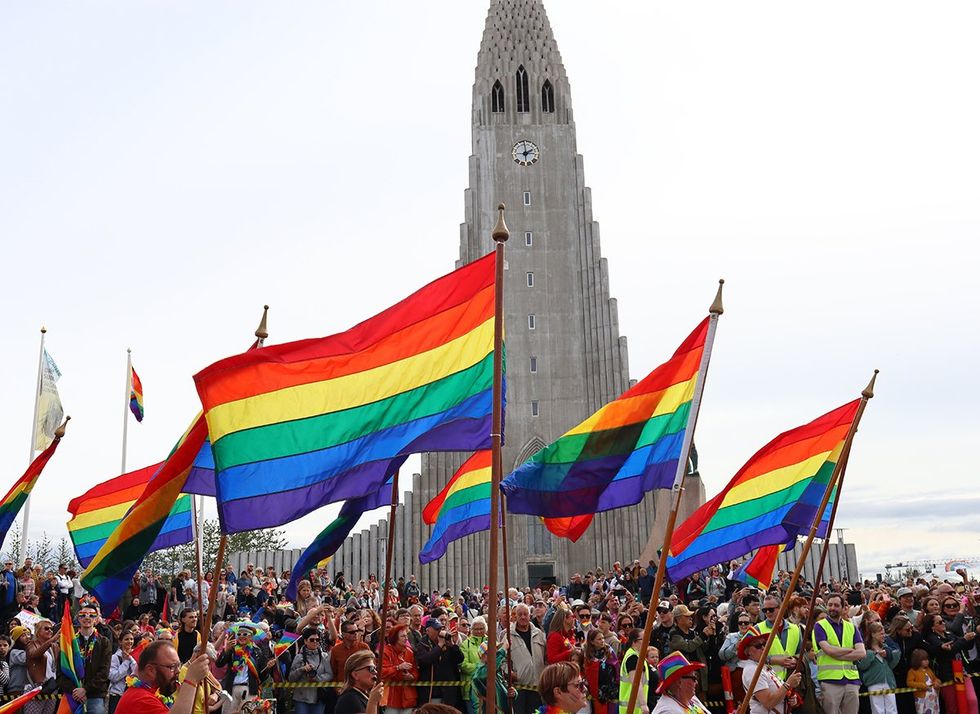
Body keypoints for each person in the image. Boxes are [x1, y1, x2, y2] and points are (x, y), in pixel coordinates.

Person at [114, 641, 209, 714]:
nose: (178, 671)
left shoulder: (154, 693)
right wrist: (191, 680)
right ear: (151, 670)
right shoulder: (140, 699)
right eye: (172, 667)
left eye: (178, 665)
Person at [813, 593, 866, 714]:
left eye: (836, 605)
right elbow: (828, 650)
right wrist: (851, 650)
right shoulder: (819, 626)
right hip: (830, 680)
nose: (832, 608)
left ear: (843, 608)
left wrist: (837, 652)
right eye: (830, 605)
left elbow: (862, 653)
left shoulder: (852, 627)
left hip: (851, 680)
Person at [57, 602, 112, 714]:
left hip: (95, 695)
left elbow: (104, 672)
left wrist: (85, 689)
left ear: (96, 619)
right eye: (83, 615)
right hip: (72, 695)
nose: (87, 618)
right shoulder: (68, 643)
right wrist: (75, 691)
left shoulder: (104, 642)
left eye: (91, 615)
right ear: (78, 618)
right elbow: (60, 671)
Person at [919, 613, 976, 714]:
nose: (944, 623)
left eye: (943, 621)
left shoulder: (949, 634)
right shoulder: (932, 639)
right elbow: (949, 651)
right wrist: (964, 639)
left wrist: (970, 638)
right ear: (932, 627)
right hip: (947, 676)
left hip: (963, 673)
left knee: (972, 701)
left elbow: (965, 646)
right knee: (952, 706)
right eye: (940, 622)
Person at [738, 625, 802, 714]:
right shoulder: (752, 670)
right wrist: (788, 684)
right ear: (748, 651)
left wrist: (792, 699)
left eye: (764, 644)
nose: (763, 648)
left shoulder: (764, 667)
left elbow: (779, 692)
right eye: (758, 646)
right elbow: (768, 702)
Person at [216, 623, 267, 712]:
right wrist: (225, 650)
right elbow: (219, 664)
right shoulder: (232, 650)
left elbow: (262, 676)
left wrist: (268, 667)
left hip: (249, 689)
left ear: (251, 637)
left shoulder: (257, 652)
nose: (241, 636)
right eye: (239, 634)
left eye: (245, 634)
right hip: (231, 689)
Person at [415, 618, 464, 707]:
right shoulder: (422, 644)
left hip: (448, 692)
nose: (439, 632)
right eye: (437, 629)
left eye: (441, 629)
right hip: (432, 692)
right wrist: (440, 646)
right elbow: (426, 660)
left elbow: (460, 659)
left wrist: (453, 645)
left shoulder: (447, 643)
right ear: (428, 630)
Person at [510, 604, 547, 714]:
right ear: (515, 616)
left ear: (530, 616)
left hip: (537, 686)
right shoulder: (508, 635)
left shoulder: (539, 634)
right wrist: (511, 673)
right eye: (520, 614)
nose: (522, 617)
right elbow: (502, 659)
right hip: (519, 688)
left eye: (525, 614)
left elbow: (546, 656)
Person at [756, 595, 802, 681]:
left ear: (781, 608)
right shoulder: (758, 629)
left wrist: (795, 660)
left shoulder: (795, 628)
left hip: (791, 679)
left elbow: (800, 653)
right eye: (765, 610)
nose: (768, 613)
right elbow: (752, 656)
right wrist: (774, 660)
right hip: (769, 681)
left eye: (771, 610)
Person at [288, 627, 333, 714]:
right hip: (301, 697)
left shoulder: (324, 656)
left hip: (319, 697)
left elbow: (329, 674)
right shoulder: (299, 657)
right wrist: (302, 669)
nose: (315, 642)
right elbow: (291, 678)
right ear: (305, 641)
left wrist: (317, 678)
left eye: (317, 639)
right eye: (312, 640)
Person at [858, 621, 900, 714]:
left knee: (892, 709)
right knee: (877, 709)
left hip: (889, 682)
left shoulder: (886, 647)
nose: (883, 635)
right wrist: (872, 654)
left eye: (884, 633)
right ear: (873, 634)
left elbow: (893, 664)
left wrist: (889, 654)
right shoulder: (865, 649)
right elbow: (862, 666)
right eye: (881, 633)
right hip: (874, 683)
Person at [666, 605, 707, 695]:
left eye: (691, 616)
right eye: (687, 616)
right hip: (685, 676)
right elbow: (688, 647)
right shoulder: (674, 635)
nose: (691, 619)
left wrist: (710, 636)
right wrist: (703, 635)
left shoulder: (694, 633)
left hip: (699, 673)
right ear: (679, 619)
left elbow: (704, 648)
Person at [380, 624, 417, 714]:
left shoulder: (409, 652)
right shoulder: (385, 652)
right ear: (395, 638)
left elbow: (415, 671)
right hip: (391, 698)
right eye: (403, 636)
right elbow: (382, 673)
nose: (406, 638)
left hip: (408, 697)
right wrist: (398, 667)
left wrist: (411, 676)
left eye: (406, 635)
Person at [334, 650, 384, 714]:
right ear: (355, 675)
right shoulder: (349, 699)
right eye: (371, 668)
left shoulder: (364, 695)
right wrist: (372, 702)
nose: (375, 672)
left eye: (375, 668)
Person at [619, 629, 652, 714]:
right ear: (634, 642)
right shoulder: (633, 658)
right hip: (633, 709)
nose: (647, 642)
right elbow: (636, 682)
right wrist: (643, 704)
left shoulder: (637, 656)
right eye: (644, 639)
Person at [331, 620, 370, 685]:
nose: (355, 633)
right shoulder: (335, 650)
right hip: (342, 688)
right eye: (352, 632)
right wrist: (336, 687)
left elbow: (370, 667)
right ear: (343, 634)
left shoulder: (364, 647)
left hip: (361, 687)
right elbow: (334, 671)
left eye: (357, 631)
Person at [108, 632, 137, 714]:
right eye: (126, 639)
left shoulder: (135, 656)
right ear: (120, 642)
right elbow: (113, 677)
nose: (130, 641)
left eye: (131, 639)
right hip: (117, 696)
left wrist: (130, 659)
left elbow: (137, 674)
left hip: (131, 696)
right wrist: (126, 662)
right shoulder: (114, 657)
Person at [905, 649, 940, 714]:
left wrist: (937, 682)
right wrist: (921, 685)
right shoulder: (912, 671)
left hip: (933, 698)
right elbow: (909, 683)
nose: (927, 661)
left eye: (927, 659)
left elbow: (935, 679)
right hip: (921, 699)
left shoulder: (929, 669)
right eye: (924, 660)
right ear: (917, 661)